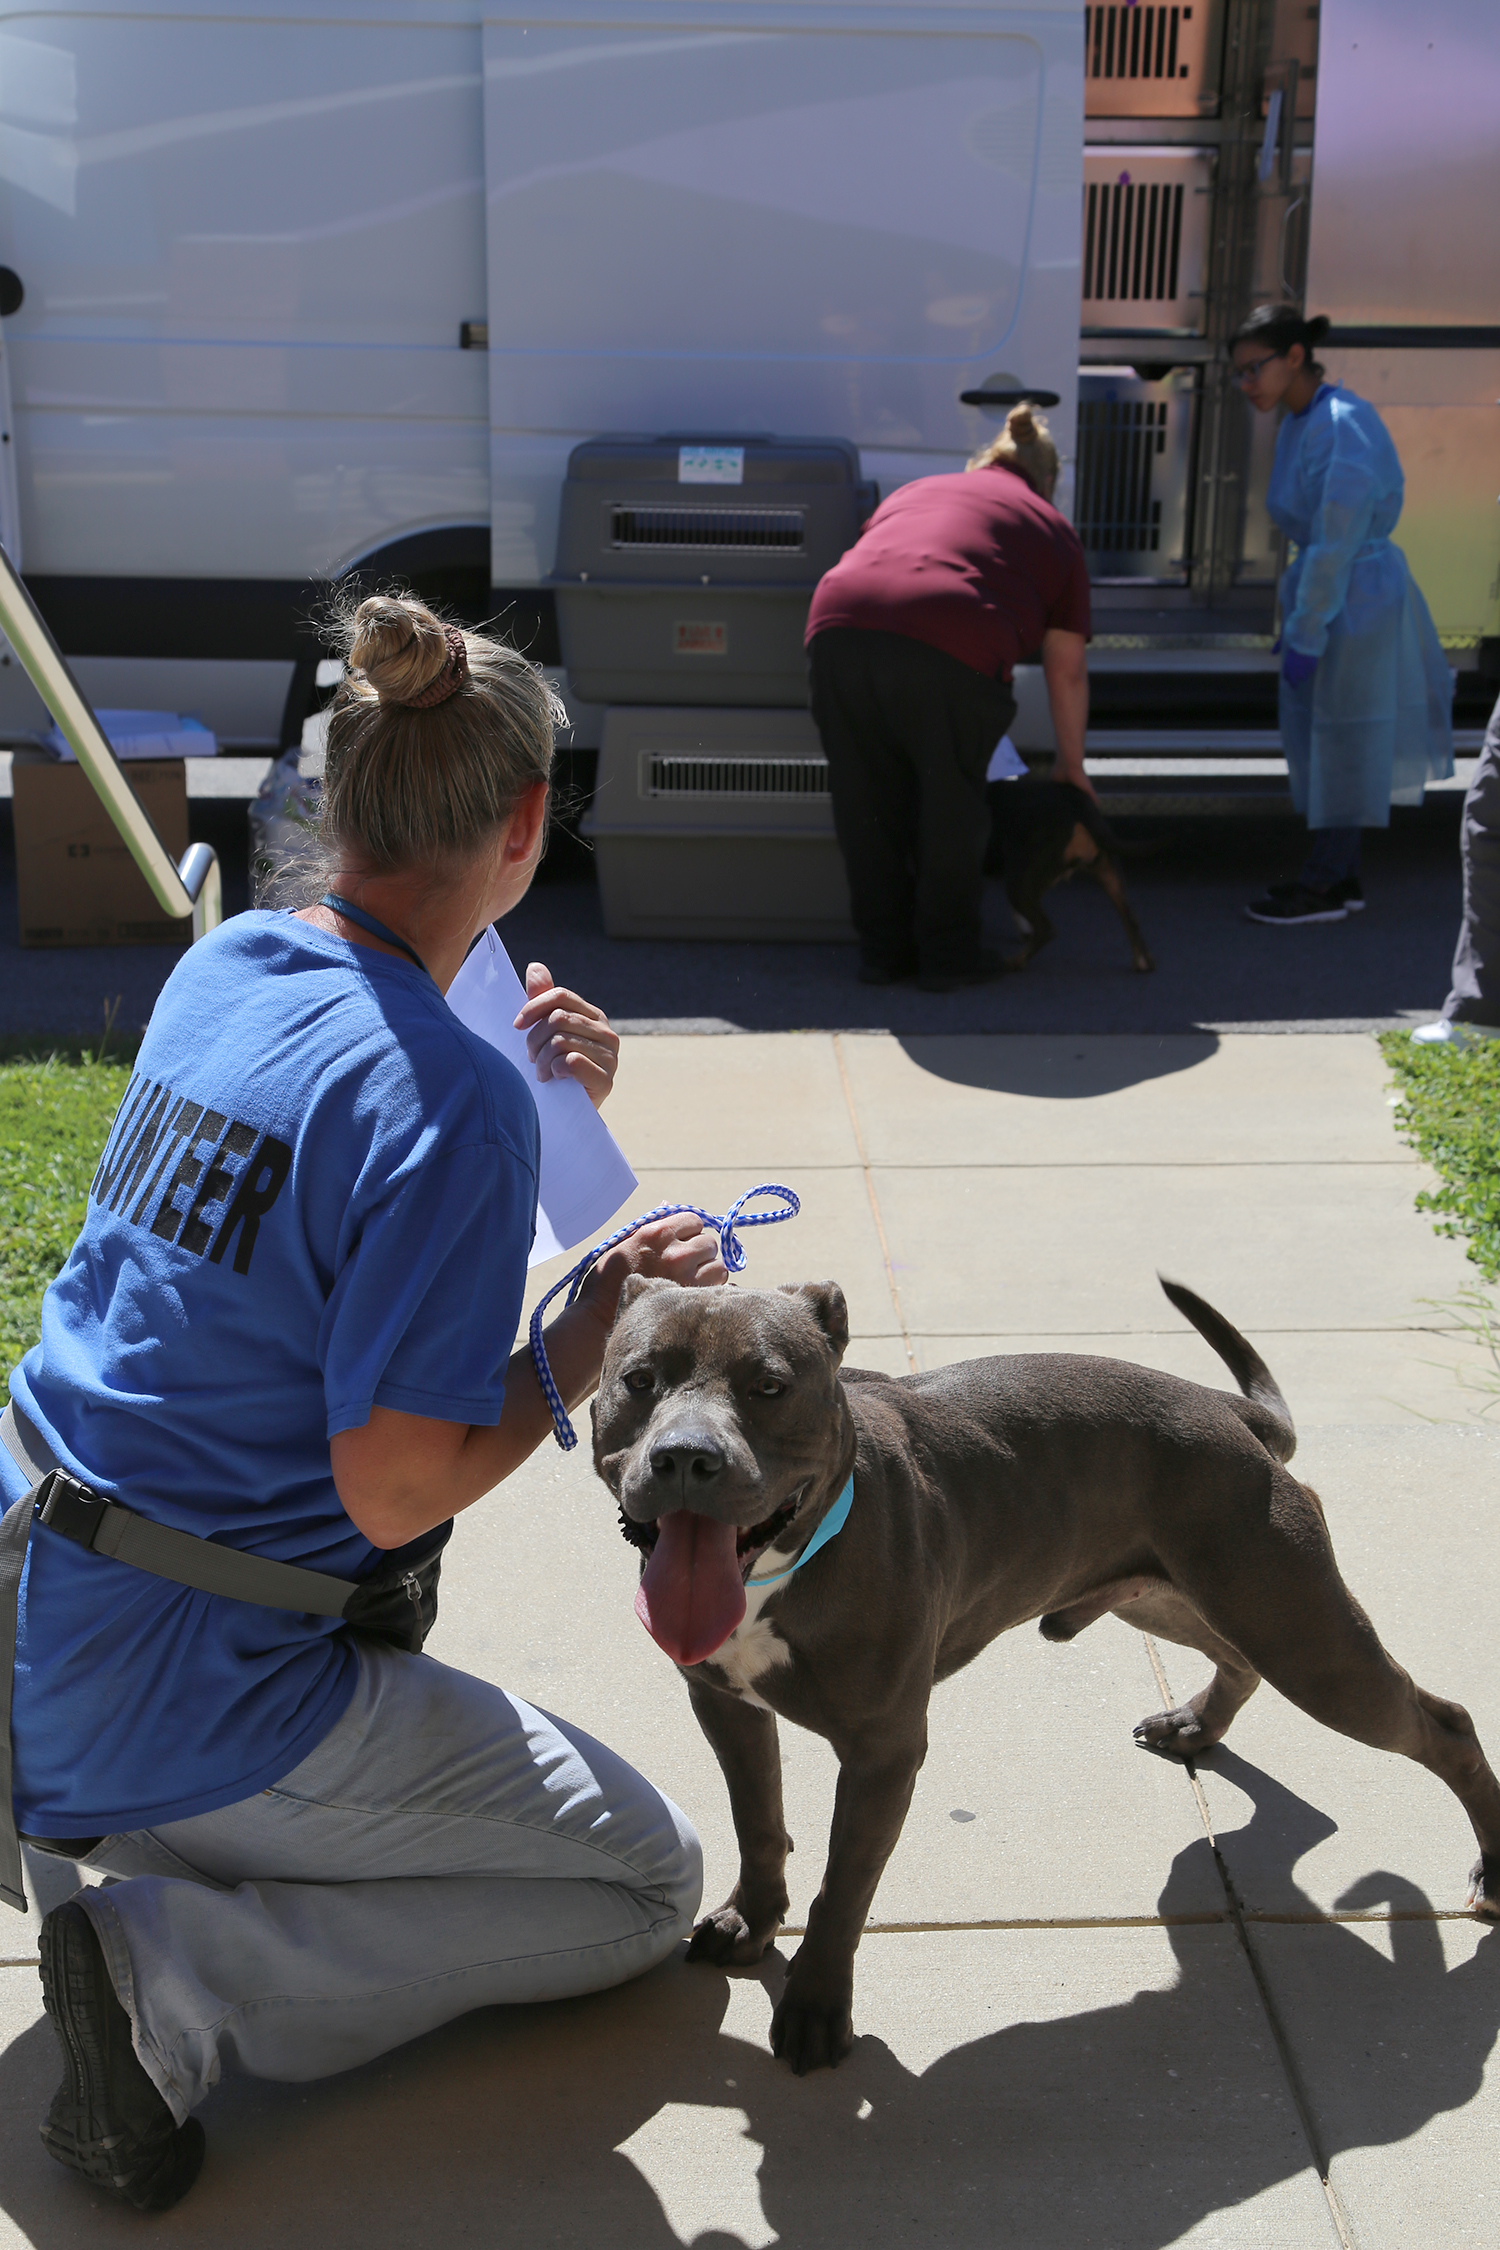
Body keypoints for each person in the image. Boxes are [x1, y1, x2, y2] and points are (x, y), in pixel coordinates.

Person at [1, 594, 724, 2213]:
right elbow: (398, 1487)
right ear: (529, 823)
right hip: (162, 1694)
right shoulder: (451, 1100)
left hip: (23, 1612)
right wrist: (580, 1340)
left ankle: (130, 1857)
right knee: (642, 1882)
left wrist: (538, 1115)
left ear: (334, 785)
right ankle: (168, 1979)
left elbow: (319, 1210)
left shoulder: (229, 966)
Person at [805, 404, 1093, 992]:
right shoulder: (1051, 527)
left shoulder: (918, 491)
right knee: (951, 807)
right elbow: (1067, 671)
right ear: (1047, 482)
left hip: (836, 629)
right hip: (952, 643)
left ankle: (883, 953)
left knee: (867, 802)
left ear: (984, 461)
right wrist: (1071, 766)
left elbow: (882, 568)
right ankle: (948, 955)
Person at [1232, 304, 1454, 926]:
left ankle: (1327, 884)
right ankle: (1339, 872)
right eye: (1239, 374)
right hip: (1340, 592)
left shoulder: (1342, 422)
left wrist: (1308, 626)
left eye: (1254, 369)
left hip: (1355, 596)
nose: (1246, 384)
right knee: (1333, 734)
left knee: (1344, 735)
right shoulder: (1305, 421)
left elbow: (1337, 540)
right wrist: (1304, 617)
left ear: (1295, 357)